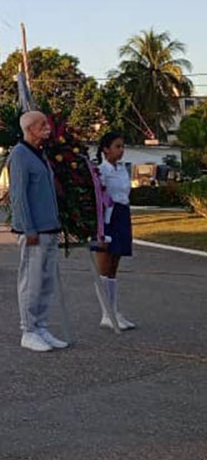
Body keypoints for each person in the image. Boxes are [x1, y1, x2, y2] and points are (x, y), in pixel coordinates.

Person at [8, 111, 68, 352]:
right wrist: (28, 228)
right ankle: (28, 330)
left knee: (45, 282)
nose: (47, 127)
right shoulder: (20, 155)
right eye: (42, 124)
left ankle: (41, 326)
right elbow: (18, 196)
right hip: (34, 231)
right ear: (30, 128)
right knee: (31, 281)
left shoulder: (40, 154)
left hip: (49, 228)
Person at [95, 131, 136, 330]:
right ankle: (106, 313)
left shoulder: (122, 170)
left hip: (122, 214)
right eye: (117, 146)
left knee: (114, 268)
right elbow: (99, 198)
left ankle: (114, 310)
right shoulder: (101, 171)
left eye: (122, 147)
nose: (121, 151)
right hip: (108, 217)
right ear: (106, 149)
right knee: (104, 265)